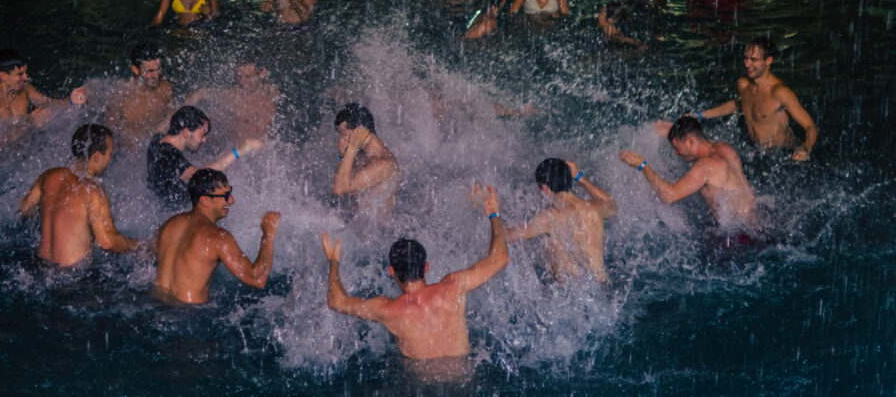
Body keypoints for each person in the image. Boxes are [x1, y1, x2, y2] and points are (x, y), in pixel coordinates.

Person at [321, 184, 508, 360]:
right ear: (426, 267)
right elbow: (500, 258)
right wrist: (494, 215)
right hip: (463, 378)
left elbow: (336, 301)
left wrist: (333, 263)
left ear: (391, 271)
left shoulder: (388, 310)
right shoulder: (454, 287)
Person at [480, 158, 617, 284]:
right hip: (603, 285)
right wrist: (580, 177)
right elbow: (612, 206)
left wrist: (492, 213)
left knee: (549, 243)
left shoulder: (550, 217)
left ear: (545, 188)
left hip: (575, 295)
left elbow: (507, 236)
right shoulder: (595, 208)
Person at [19, 124, 140, 266]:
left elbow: (24, 210)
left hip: (40, 265)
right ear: (96, 157)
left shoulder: (49, 175)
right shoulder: (92, 190)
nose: (110, 159)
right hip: (71, 276)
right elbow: (107, 242)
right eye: (109, 154)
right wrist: (140, 246)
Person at [153, 169, 279, 304]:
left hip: (157, 304)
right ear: (205, 201)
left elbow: (146, 251)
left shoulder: (169, 224)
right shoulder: (218, 237)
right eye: (226, 195)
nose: (231, 201)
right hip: (189, 314)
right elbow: (257, 278)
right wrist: (268, 234)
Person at [697, 37, 818, 161]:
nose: (747, 64)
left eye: (753, 60)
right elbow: (737, 104)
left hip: (783, 155)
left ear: (768, 60)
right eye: (746, 58)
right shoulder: (743, 84)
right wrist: (700, 115)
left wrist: (806, 147)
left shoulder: (779, 92)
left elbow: (810, 126)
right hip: (755, 152)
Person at [619, 117, 755, 225]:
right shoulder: (724, 148)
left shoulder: (706, 166)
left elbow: (669, 196)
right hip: (755, 221)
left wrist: (643, 166)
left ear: (690, 141)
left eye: (677, 148)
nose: (676, 153)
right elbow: (693, 134)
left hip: (740, 236)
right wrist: (671, 129)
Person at [147, 106, 262, 208]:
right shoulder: (171, 157)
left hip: (157, 207)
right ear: (186, 132)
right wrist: (240, 150)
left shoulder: (157, 141)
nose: (204, 140)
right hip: (173, 214)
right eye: (202, 134)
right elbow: (201, 177)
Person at [0, 49, 87, 127]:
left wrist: (71, 101)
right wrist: (30, 121)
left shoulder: (24, 88)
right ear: (3, 76)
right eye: (20, 74)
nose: (26, 78)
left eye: (26, 73)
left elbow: (48, 103)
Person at [185, 60, 280, 143]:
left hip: (266, 154)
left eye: (247, 77)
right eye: (239, 77)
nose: (242, 82)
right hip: (237, 154)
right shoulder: (231, 96)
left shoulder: (273, 93)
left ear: (262, 73)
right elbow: (202, 94)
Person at [333, 103, 399, 220]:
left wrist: (352, 148)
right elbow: (350, 185)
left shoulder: (383, 163)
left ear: (361, 132)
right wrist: (343, 157)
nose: (342, 140)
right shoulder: (364, 156)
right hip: (358, 225)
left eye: (345, 135)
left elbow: (340, 190)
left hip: (375, 234)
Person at [103, 42, 174, 143]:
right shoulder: (121, 96)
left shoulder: (165, 88)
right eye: (150, 71)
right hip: (128, 154)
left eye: (158, 69)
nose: (156, 75)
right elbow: (107, 137)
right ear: (135, 70)